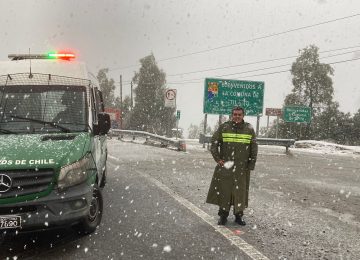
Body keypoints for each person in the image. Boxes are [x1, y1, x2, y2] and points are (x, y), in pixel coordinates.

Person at [206, 106, 258, 226]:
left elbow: (254, 147)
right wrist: (218, 159)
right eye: (235, 114)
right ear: (232, 115)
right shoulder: (224, 127)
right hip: (226, 166)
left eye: (239, 114)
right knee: (225, 191)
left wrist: (251, 163)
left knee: (240, 192)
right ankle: (223, 215)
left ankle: (238, 216)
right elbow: (214, 143)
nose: (237, 116)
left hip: (242, 167)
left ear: (243, 115)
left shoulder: (249, 129)